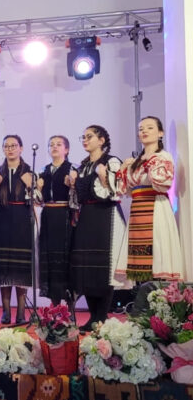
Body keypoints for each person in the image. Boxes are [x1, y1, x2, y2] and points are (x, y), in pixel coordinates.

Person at [69, 125, 127, 331]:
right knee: (87, 267)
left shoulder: (111, 161)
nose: (85, 140)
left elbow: (118, 191)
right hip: (87, 216)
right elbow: (77, 199)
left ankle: (101, 316)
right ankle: (93, 317)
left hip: (106, 215)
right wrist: (72, 184)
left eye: (90, 136)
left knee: (104, 267)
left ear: (102, 140)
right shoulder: (82, 166)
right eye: (83, 137)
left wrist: (103, 175)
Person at [115, 116, 183, 282]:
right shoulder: (136, 161)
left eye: (150, 127)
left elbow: (163, 182)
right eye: (141, 129)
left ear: (160, 133)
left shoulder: (163, 156)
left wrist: (150, 161)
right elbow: (122, 190)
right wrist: (124, 168)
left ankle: (158, 293)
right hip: (137, 209)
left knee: (157, 248)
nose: (144, 131)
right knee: (138, 255)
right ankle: (144, 290)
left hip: (156, 206)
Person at [0, 135, 34, 324]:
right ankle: (6, 311)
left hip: (22, 220)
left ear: (21, 148)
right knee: (3, 267)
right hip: (1, 219)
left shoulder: (29, 171)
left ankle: (22, 312)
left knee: (20, 267)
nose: (10, 149)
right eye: (6, 146)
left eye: (13, 145)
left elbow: (38, 199)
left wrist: (31, 185)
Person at [35, 135, 77, 306]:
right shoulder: (44, 171)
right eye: (51, 144)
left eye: (59, 144)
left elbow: (78, 197)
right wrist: (38, 188)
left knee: (65, 256)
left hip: (64, 214)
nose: (54, 147)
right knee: (49, 257)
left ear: (66, 149)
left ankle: (70, 304)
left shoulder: (72, 169)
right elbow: (38, 200)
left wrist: (73, 185)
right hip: (48, 215)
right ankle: (54, 304)